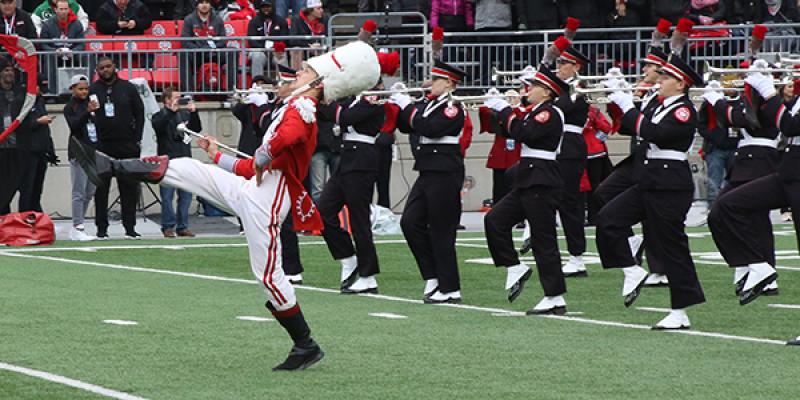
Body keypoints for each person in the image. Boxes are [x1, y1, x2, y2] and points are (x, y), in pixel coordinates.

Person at [71, 40, 380, 371]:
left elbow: (286, 139)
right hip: (256, 188)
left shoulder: (303, 108)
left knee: (268, 276)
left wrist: (264, 153)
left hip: (270, 198)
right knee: (189, 169)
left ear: (319, 83)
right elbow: (252, 167)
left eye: (307, 70)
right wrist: (216, 154)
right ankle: (112, 167)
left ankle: (305, 344)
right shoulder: (293, 105)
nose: (299, 72)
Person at [598, 53, 706, 329]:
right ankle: (632, 270)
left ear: (681, 84)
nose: (661, 80)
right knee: (608, 218)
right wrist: (621, 99)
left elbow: (654, 133)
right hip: (649, 179)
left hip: (670, 184)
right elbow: (628, 127)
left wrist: (628, 105)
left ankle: (680, 311)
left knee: (672, 247)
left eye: (667, 77)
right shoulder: (658, 105)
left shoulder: (684, 110)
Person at [483, 67, 571, 314]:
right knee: (494, 220)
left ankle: (554, 297)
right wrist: (500, 111)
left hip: (542, 179)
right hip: (528, 178)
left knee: (544, 240)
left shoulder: (549, 112)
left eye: (532, 86)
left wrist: (507, 111)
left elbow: (526, 134)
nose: (527, 90)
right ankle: (514, 266)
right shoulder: (534, 111)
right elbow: (508, 131)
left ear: (546, 91)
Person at [391, 60, 468, 304]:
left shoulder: (452, 106)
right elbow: (407, 127)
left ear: (448, 83)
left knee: (442, 231)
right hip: (427, 171)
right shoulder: (428, 104)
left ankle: (450, 287)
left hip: (445, 172)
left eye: (436, 79)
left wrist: (408, 107)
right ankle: (433, 276)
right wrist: (399, 105)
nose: (430, 83)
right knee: (410, 222)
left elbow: (431, 129)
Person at [704, 59, 782, 296]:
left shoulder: (769, 104)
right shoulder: (750, 100)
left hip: (761, 161)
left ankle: (767, 275)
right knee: (719, 213)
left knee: (758, 223)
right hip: (745, 163)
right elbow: (728, 118)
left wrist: (716, 100)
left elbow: (737, 119)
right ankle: (746, 264)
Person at [597, 47, 672, 288]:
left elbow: (650, 125)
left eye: (649, 66)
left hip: (656, 158)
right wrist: (616, 99)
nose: (644, 70)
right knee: (604, 192)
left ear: (660, 70)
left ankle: (660, 270)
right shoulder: (647, 93)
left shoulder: (663, 95)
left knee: (652, 213)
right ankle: (631, 240)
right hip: (639, 156)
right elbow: (626, 127)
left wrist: (628, 101)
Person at [317, 87, 384, 294]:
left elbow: (344, 117)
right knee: (322, 213)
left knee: (359, 220)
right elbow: (329, 115)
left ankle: (368, 275)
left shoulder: (372, 98)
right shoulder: (353, 99)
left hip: (362, 161)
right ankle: (348, 257)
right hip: (346, 161)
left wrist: (326, 100)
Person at [90, 56, 146, 239]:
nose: (105, 70)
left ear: (114, 67)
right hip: (103, 146)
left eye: (108, 66)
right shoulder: (94, 90)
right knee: (101, 189)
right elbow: (89, 115)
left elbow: (140, 113)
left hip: (127, 145)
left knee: (129, 188)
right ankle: (101, 228)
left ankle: (129, 227)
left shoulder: (128, 88)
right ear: (97, 71)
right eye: (101, 68)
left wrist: (136, 139)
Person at [552, 46, 591, 277]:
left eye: (563, 64)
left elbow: (558, 108)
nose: (558, 68)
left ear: (576, 67)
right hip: (554, 148)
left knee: (569, 203)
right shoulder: (561, 88)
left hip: (569, 148)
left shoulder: (578, 90)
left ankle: (577, 257)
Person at [152, 86, 200, 238]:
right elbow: (158, 127)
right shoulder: (159, 115)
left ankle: (183, 226)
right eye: (176, 97)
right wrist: (171, 111)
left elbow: (196, 129)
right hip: (168, 161)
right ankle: (167, 226)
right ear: (167, 100)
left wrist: (194, 113)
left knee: (185, 196)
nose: (179, 100)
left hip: (185, 158)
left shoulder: (184, 113)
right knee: (167, 196)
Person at [63, 74, 97, 241]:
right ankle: (78, 226)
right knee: (79, 191)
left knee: (90, 191)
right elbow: (74, 125)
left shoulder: (92, 103)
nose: (84, 91)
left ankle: (79, 225)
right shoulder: (70, 107)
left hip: (93, 151)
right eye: (80, 89)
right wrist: (87, 112)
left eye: (86, 88)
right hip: (78, 152)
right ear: (73, 89)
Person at [17, 74, 57, 213]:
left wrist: (50, 150)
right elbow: (18, 126)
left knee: (37, 188)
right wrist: (37, 122)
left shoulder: (40, 100)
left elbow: (46, 129)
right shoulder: (21, 101)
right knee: (27, 188)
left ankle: (36, 219)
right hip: (28, 151)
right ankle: (25, 219)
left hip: (41, 150)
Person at [180, 0, 236, 93]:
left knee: (232, 52)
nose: (204, 5)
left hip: (214, 53)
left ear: (210, 5)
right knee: (183, 54)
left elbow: (223, 41)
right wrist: (199, 49)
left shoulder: (218, 19)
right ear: (197, 5)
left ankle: (231, 91)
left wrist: (213, 48)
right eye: (201, 3)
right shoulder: (189, 19)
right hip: (197, 54)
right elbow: (185, 41)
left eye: (207, 2)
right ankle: (188, 93)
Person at [481, 89, 522, 206]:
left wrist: (511, 107)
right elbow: (488, 127)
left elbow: (519, 119)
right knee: (499, 188)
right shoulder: (499, 112)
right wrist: (489, 102)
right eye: (507, 98)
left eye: (513, 97)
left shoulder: (521, 111)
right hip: (499, 155)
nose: (510, 100)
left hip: (515, 155)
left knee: (515, 187)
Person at [37, 0, 85, 95]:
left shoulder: (77, 24)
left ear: (69, 10)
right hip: (54, 54)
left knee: (84, 56)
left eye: (65, 9)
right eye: (61, 9)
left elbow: (81, 44)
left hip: (71, 54)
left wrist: (73, 51)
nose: (63, 11)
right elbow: (43, 44)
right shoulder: (47, 24)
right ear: (56, 10)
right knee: (49, 57)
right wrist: (54, 51)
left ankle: (81, 90)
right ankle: (51, 92)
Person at [0, 58, 24, 215]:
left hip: (17, 144)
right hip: (1, 145)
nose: (9, 73)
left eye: (11, 70)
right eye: (6, 70)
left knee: (14, 184)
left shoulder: (19, 92)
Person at [247, 0, 288, 78]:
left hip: (276, 50)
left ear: (273, 7)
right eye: (263, 7)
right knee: (257, 55)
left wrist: (274, 47)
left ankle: (284, 83)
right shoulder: (254, 21)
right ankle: (257, 84)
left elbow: (284, 39)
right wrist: (264, 48)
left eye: (268, 7)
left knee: (282, 55)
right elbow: (252, 40)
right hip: (260, 50)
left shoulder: (281, 21)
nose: (266, 9)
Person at [288, 0, 326, 71]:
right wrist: (309, 46)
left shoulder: (325, 19)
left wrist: (319, 45)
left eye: (321, 8)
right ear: (310, 10)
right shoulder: (296, 20)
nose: (322, 10)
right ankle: (296, 76)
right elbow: (292, 40)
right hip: (304, 48)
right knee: (296, 50)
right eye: (318, 8)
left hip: (320, 48)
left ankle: (322, 76)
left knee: (320, 49)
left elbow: (331, 38)